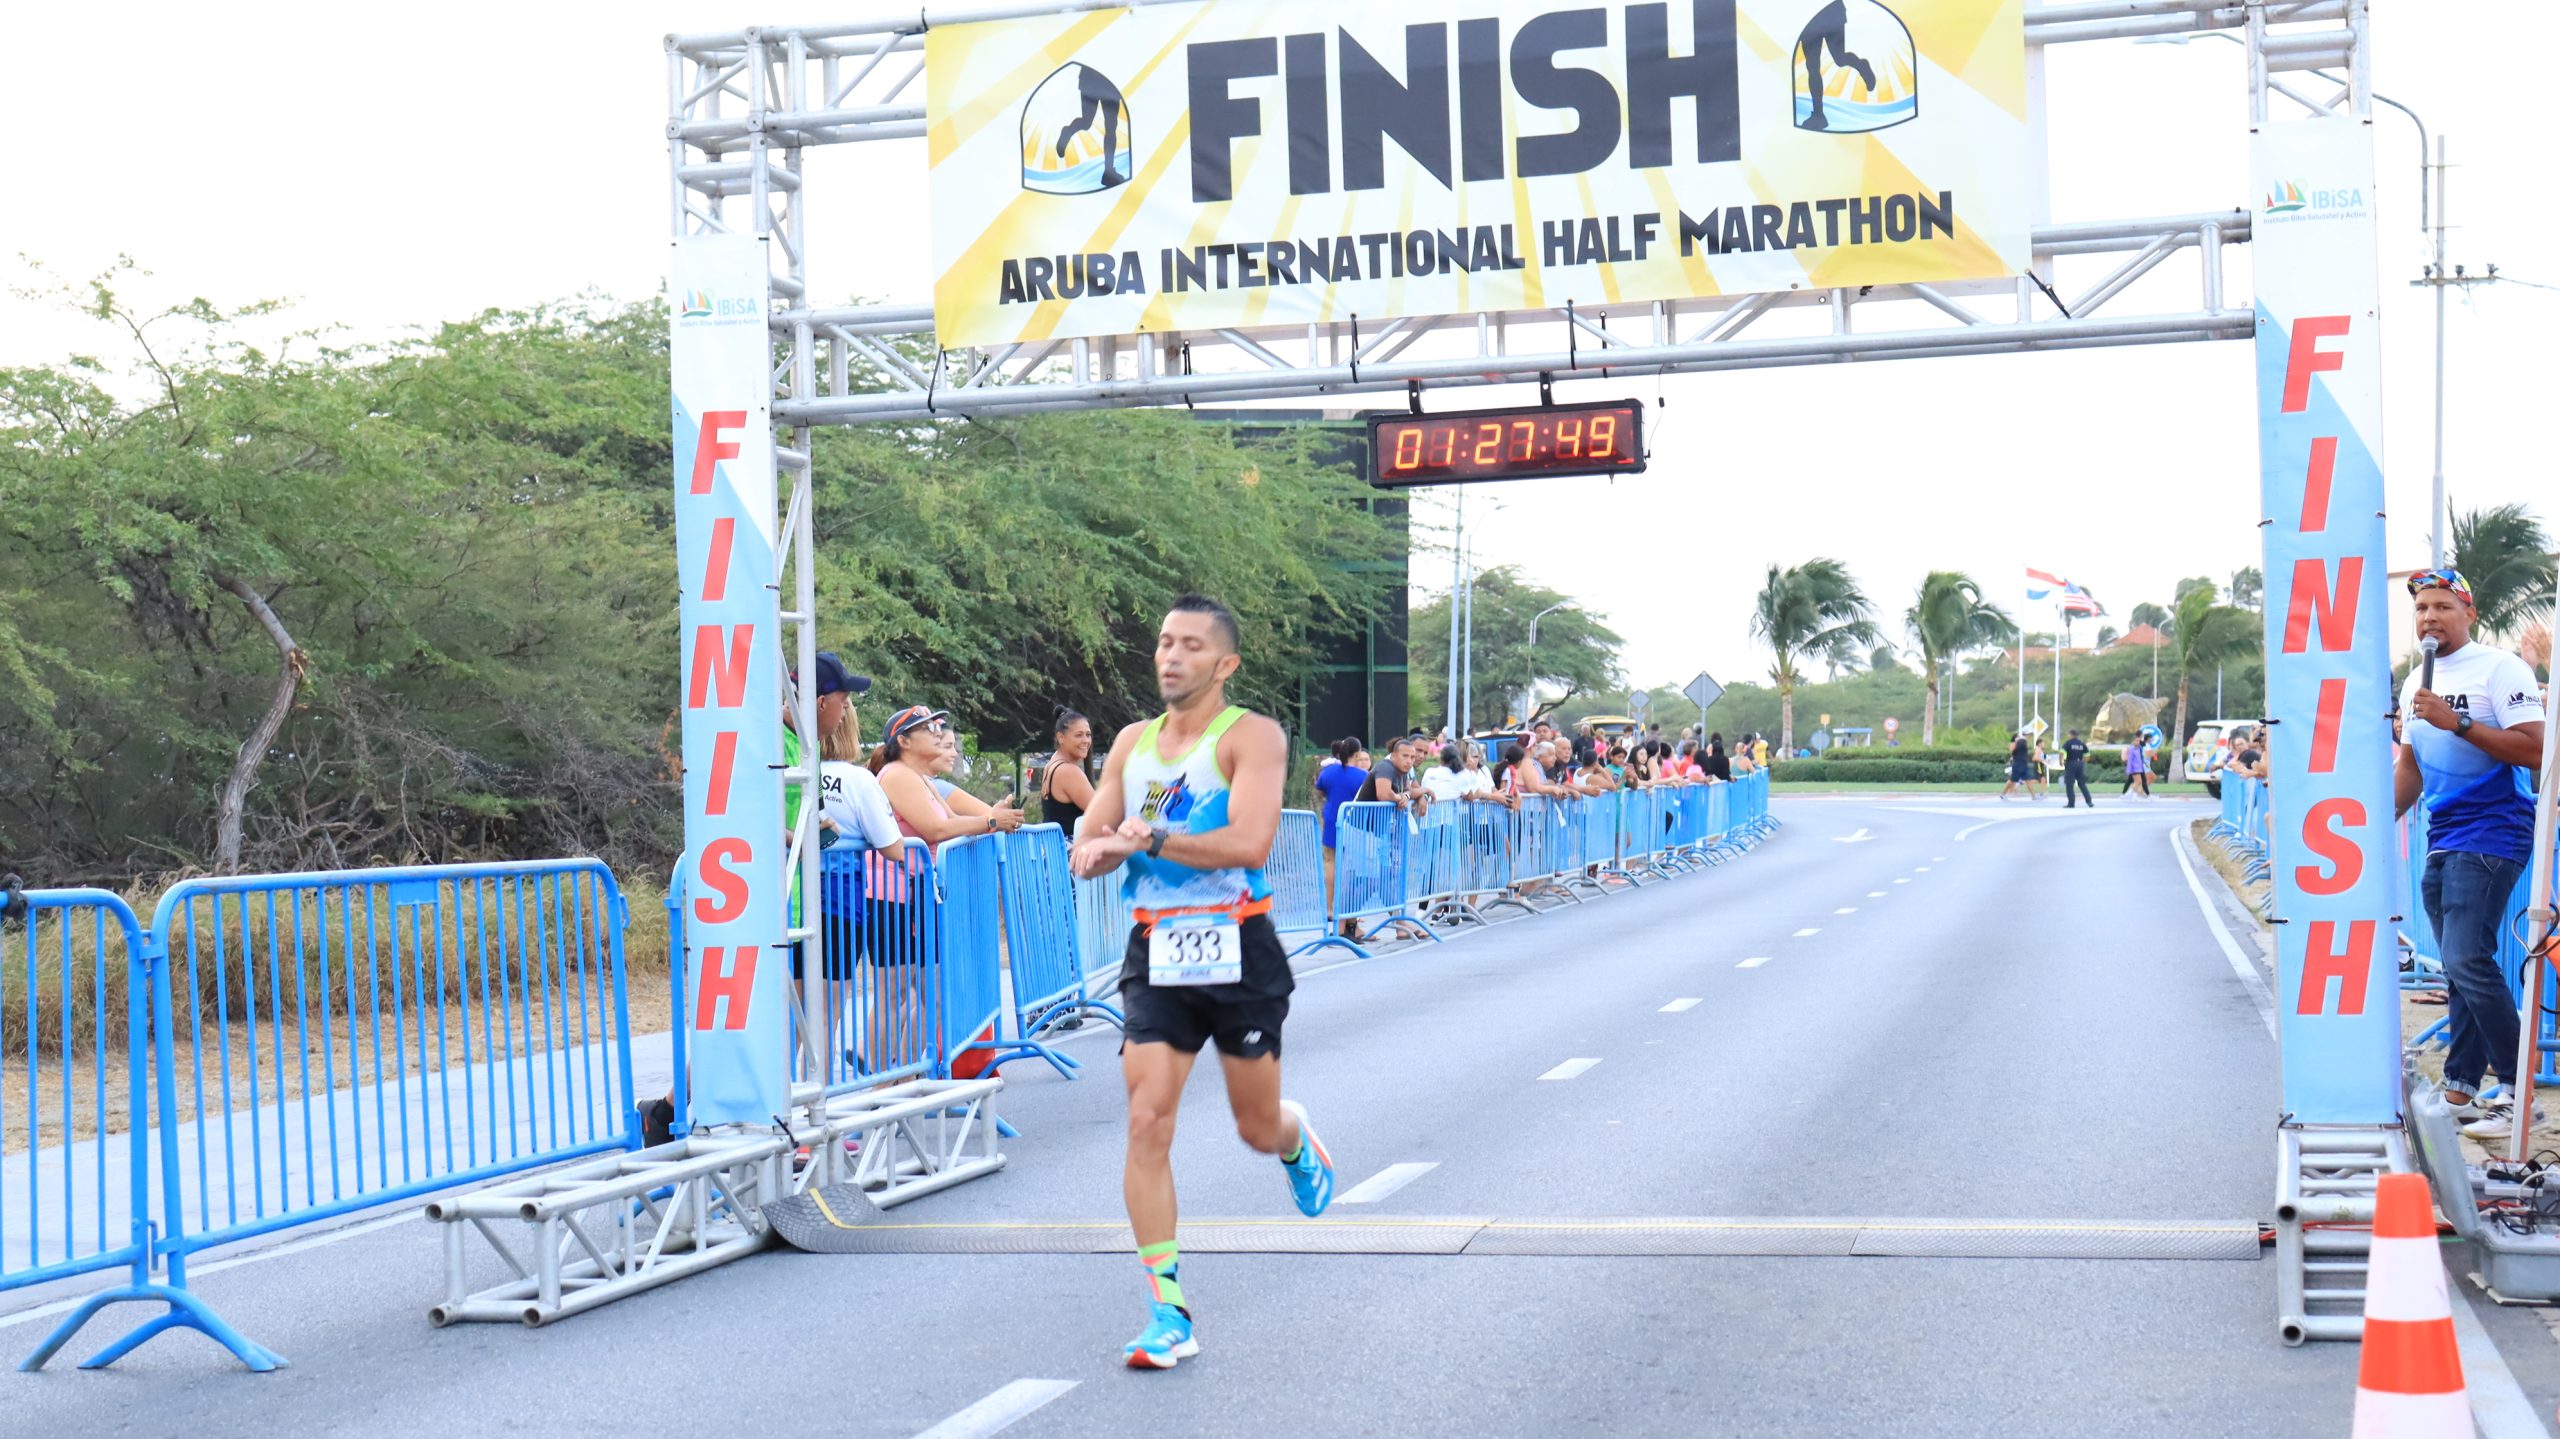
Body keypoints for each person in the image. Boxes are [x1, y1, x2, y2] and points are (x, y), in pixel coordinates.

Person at [1066, 594, 1335, 1369]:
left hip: (1237, 943)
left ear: (1224, 664)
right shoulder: (1129, 742)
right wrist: (1096, 850)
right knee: (1148, 1119)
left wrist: (1156, 836)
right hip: (1157, 949)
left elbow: (1251, 838)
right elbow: (1096, 827)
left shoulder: (1250, 735)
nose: (1170, 656)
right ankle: (1168, 1309)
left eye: (1189, 645)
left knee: (1254, 1128)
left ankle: (1292, 1135)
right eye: (1162, 642)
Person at [2396, 568, 2549, 1138]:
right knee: (2459, 967)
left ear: (2469, 613)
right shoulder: (2416, 682)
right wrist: (2368, 832)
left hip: (2494, 827)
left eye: (2442, 607)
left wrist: (2458, 722)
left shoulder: (2500, 668)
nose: (2429, 617)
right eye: (2421, 609)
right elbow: (2409, 770)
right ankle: (2460, 1088)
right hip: (2444, 832)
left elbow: (2535, 750)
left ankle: (2517, 1088)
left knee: (2466, 958)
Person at [872, 705, 1026, 844]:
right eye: (928, 728)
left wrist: (995, 816)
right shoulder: (897, 774)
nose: (938, 733)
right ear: (904, 742)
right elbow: (936, 830)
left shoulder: (921, 778)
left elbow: (953, 820)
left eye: (937, 727)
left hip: (916, 874)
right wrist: (992, 821)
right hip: (900, 875)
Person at [1311, 736, 1370, 936]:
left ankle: (1329, 908)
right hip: (1355, 828)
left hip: (1330, 822)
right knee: (1351, 873)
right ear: (1357, 754)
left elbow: (1319, 792)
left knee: (1330, 864)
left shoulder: (1328, 772)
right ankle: (1349, 917)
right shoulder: (1362, 775)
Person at [1042, 707, 1098, 838]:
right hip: (1067, 852)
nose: (1086, 741)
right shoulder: (1068, 771)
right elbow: (1102, 813)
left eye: (1088, 734)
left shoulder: (1053, 764)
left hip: (1052, 849)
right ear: (1061, 737)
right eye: (1079, 735)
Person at [2059, 728, 2094, 808]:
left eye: (2069, 734)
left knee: (2069, 784)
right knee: (2082, 784)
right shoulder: (2081, 743)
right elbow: (2087, 755)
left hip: (2070, 764)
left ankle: (2071, 803)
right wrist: (2083, 762)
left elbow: (2062, 752)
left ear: (2071, 735)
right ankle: (2089, 801)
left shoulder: (2068, 743)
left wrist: (2061, 761)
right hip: (2080, 765)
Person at [2002, 733, 2034, 801]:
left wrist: (2030, 734)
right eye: (2018, 737)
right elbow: (2012, 751)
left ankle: (2033, 796)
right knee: (2012, 780)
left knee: (2028, 779)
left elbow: (2027, 738)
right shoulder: (2013, 744)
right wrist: (2017, 742)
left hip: (2024, 763)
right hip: (2017, 763)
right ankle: (2003, 794)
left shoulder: (2023, 743)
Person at [2120, 731, 2152, 799]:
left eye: (2138, 740)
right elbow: (2130, 760)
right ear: (2134, 741)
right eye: (2137, 741)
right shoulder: (2132, 749)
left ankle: (2132, 795)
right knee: (2138, 781)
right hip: (2135, 768)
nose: (2138, 741)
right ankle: (2127, 794)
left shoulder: (2139, 747)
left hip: (2139, 767)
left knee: (2139, 781)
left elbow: (2143, 746)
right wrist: (2129, 769)